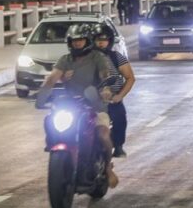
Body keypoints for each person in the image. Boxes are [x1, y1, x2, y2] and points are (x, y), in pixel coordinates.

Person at [40, 23, 118, 187]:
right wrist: (42, 96)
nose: (77, 43)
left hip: (95, 105)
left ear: (87, 40)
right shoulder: (65, 60)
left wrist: (106, 89)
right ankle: (54, 144)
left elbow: (105, 74)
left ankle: (107, 168)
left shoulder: (97, 57)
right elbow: (53, 78)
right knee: (50, 119)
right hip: (72, 105)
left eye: (80, 40)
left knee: (103, 134)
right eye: (74, 40)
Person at [92, 24, 135, 158]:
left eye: (104, 39)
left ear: (109, 41)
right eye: (97, 39)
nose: (101, 42)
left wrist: (119, 96)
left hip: (111, 99)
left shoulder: (116, 57)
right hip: (91, 100)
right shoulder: (86, 59)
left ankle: (118, 146)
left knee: (119, 117)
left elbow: (130, 78)